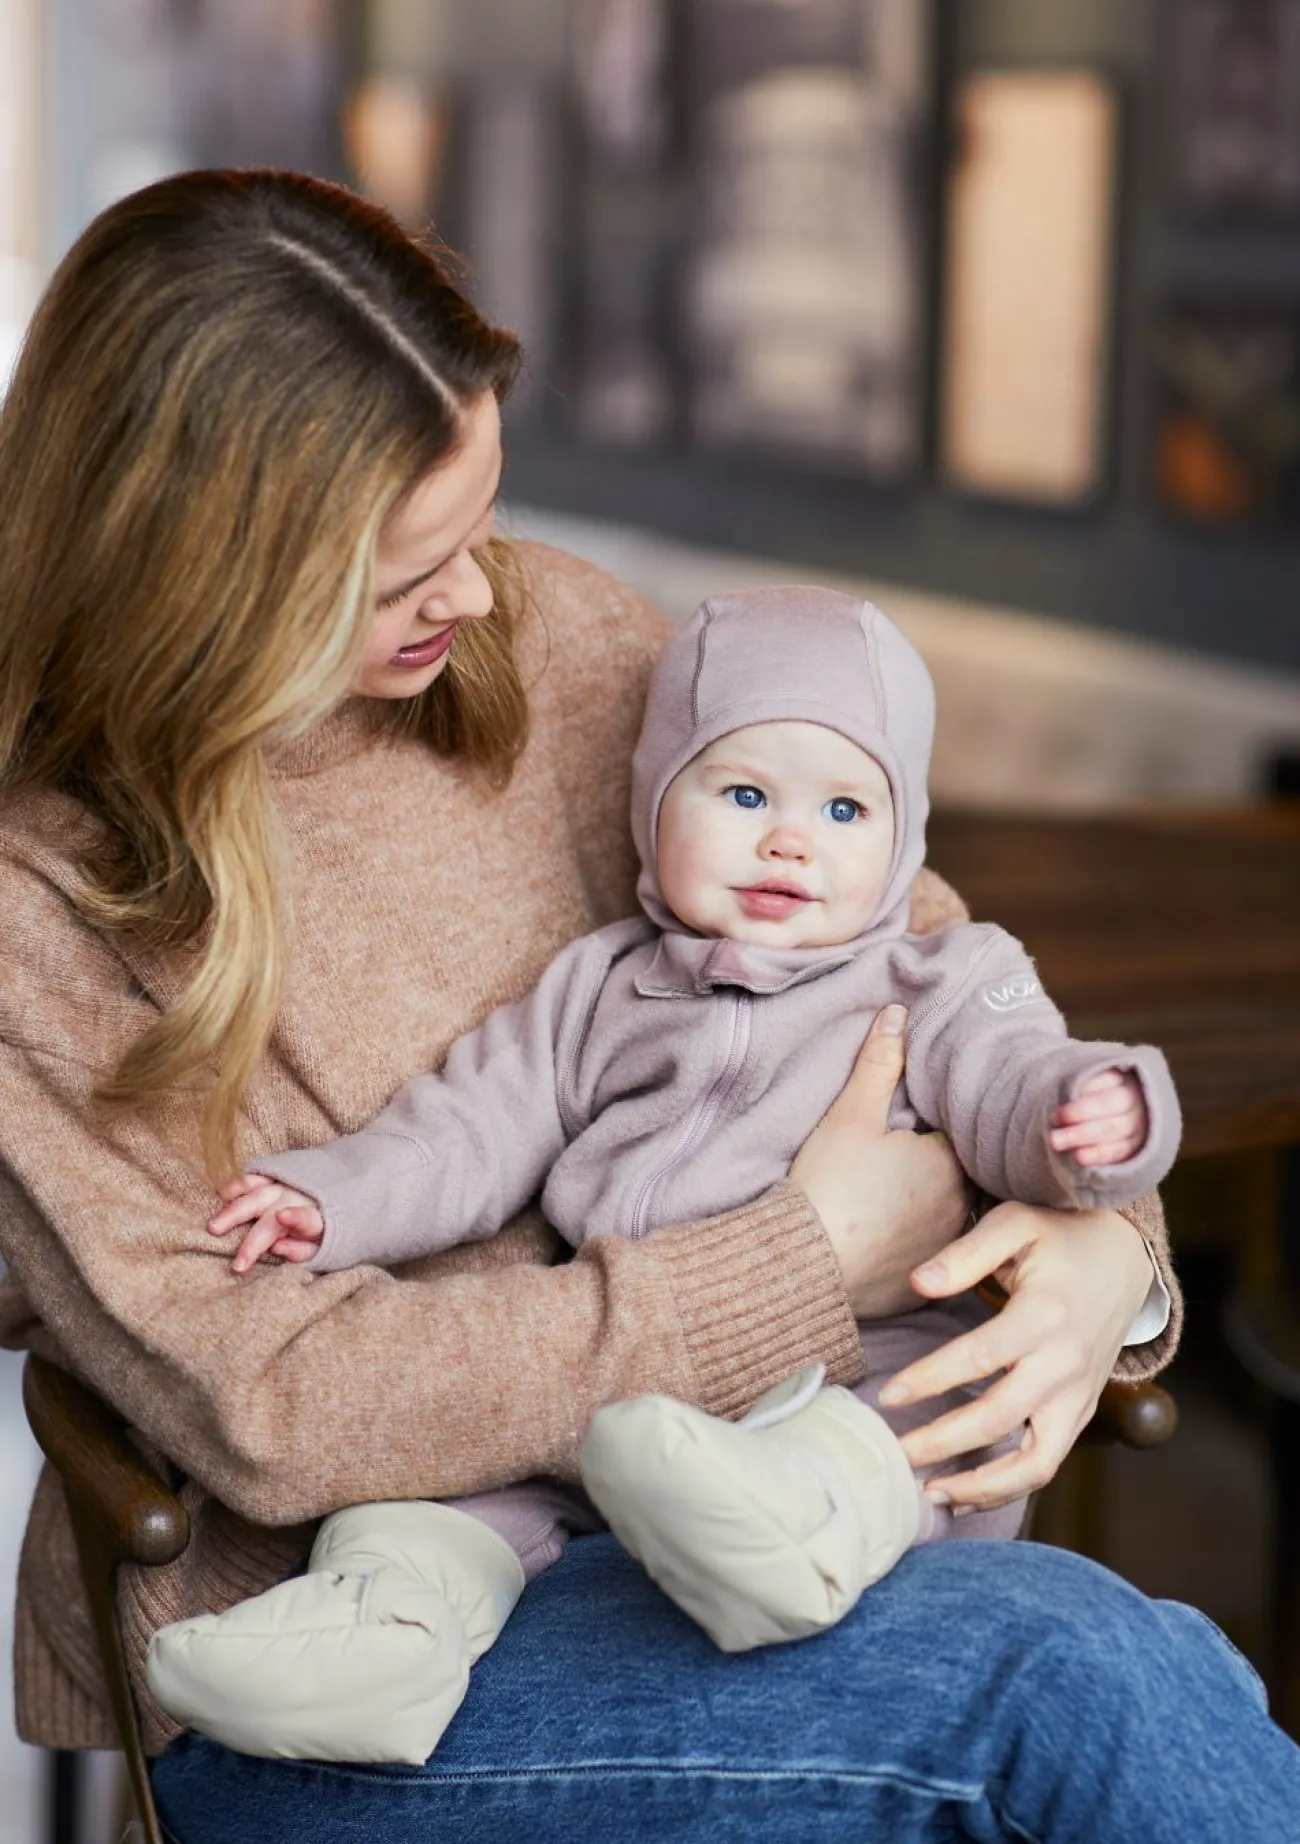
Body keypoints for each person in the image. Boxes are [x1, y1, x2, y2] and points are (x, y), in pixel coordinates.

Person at [0, 169, 1294, 1843]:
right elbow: (277, 1400)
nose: (481, 597)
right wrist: (806, 1258)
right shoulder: (43, 910)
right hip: (345, 1641)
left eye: (479, 527)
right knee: (1074, 1678)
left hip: (740, 1509)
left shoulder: (571, 647)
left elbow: (916, 960)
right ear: (202, 574)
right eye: (406, 573)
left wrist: (1107, 1245)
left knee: (1115, 1671)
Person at [145, 587, 1183, 1766]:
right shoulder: (599, 989)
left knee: (921, 1411)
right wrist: (332, 1197)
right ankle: (382, 1634)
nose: (789, 840)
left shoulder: (935, 978)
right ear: (652, 805)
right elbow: (465, 1126)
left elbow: (1014, 1078)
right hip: (635, 1397)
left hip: (864, 1363)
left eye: (845, 808)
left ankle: (793, 1532)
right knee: (455, 1493)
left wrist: (1089, 1119)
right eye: (742, 795)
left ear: (905, 839)